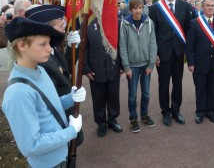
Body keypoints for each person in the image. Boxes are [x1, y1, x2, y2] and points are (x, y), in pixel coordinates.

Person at [2, 17, 86, 168]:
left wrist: (70, 98)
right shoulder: (18, 93)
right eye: (42, 44)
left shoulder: (40, 69)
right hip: (48, 164)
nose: (49, 48)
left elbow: (49, 107)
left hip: (62, 154)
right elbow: (30, 145)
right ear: (22, 46)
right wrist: (71, 131)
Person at [149, 0, 191, 127]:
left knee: (178, 84)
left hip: (179, 53)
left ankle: (176, 110)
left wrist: (187, 51)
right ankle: (165, 112)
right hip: (163, 54)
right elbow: (151, 33)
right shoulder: (155, 8)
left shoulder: (185, 6)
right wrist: (154, 53)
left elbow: (187, 30)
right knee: (164, 84)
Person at [186, 0, 214, 124]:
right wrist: (191, 63)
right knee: (200, 89)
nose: (210, 8)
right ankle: (200, 113)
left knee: (212, 89)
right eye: (208, 5)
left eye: (212, 6)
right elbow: (190, 45)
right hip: (199, 63)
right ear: (203, 7)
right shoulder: (194, 23)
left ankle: (211, 112)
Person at [120, 0, 157, 133]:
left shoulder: (149, 22)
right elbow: (123, 46)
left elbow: (153, 43)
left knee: (146, 93)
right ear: (131, 9)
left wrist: (151, 64)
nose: (138, 11)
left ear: (143, 8)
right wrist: (127, 67)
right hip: (133, 66)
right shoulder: (125, 24)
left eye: (140, 7)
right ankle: (133, 118)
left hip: (146, 64)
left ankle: (144, 115)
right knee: (133, 95)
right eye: (135, 8)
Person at [84, 17, 123, 137]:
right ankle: (101, 123)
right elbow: (84, 48)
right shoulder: (87, 22)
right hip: (96, 68)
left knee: (113, 95)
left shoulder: (116, 21)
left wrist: (121, 64)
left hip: (113, 65)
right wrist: (86, 68)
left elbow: (121, 44)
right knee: (98, 97)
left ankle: (112, 119)